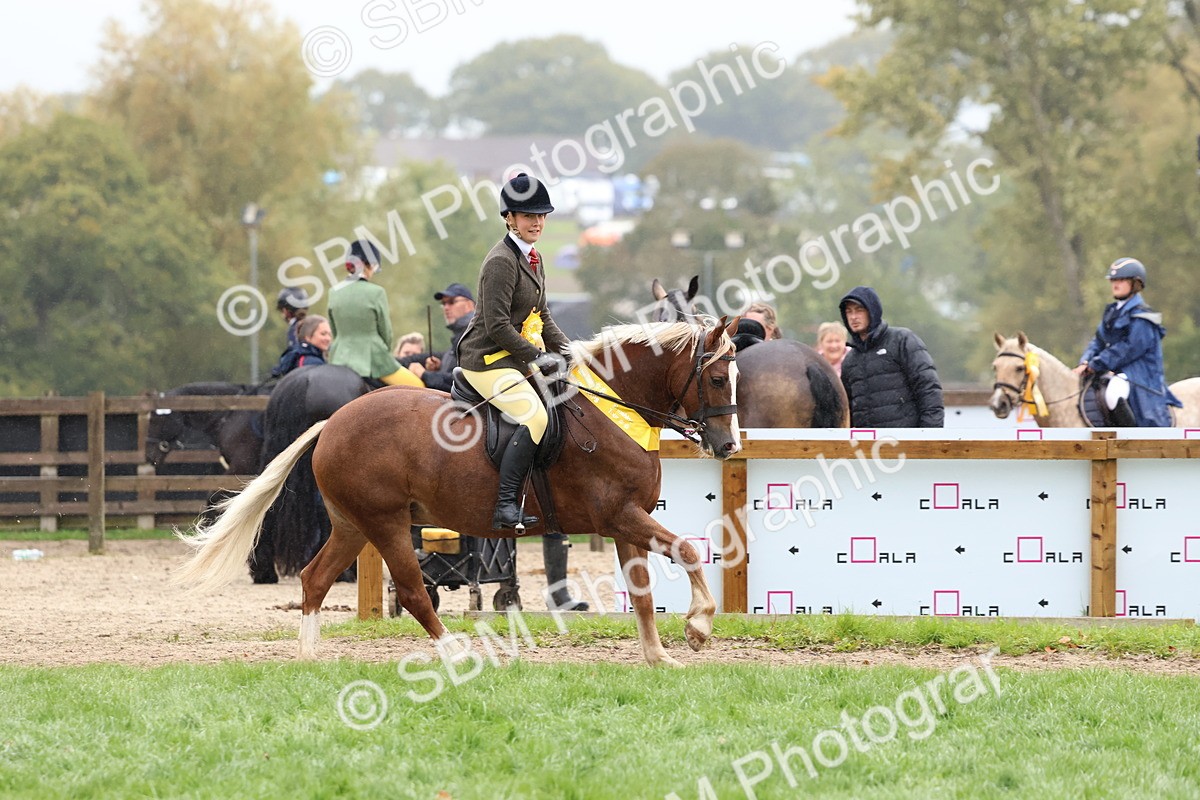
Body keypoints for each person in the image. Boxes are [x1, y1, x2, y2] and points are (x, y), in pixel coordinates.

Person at [456, 172, 586, 610]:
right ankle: (506, 506)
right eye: (528, 215)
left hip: (515, 357)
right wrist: (537, 357)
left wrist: (572, 353)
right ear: (509, 218)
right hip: (487, 360)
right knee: (537, 415)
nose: (536, 222)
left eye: (542, 216)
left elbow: (543, 316)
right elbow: (495, 325)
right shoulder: (500, 261)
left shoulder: (533, 258)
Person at [1073, 258, 1181, 426]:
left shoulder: (1143, 317)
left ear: (1135, 284)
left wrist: (1095, 364)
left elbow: (1127, 349)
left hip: (1140, 374)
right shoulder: (1112, 312)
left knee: (1113, 392)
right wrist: (1085, 361)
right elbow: (1098, 341)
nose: (1115, 284)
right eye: (1113, 280)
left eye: (1121, 280)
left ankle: (1130, 441)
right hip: (1118, 371)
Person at [838, 286, 944, 427]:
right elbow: (848, 408)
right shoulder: (850, 360)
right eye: (848, 312)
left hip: (907, 440)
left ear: (872, 311)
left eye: (859, 310)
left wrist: (930, 436)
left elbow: (928, 388)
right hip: (868, 445)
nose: (853, 317)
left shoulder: (902, 340)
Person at [327, 240, 423, 388]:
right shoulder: (377, 292)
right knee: (418, 387)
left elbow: (334, 330)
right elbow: (386, 332)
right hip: (372, 358)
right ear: (369, 265)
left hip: (339, 357)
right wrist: (385, 354)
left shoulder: (333, 292)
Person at [410, 283, 476, 393]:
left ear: (469, 305)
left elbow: (466, 381)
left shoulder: (473, 334)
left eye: (451, 302)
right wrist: (439, 368)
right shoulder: (459, 335)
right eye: (443, 303)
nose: (446, 307)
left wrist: (425, 375)